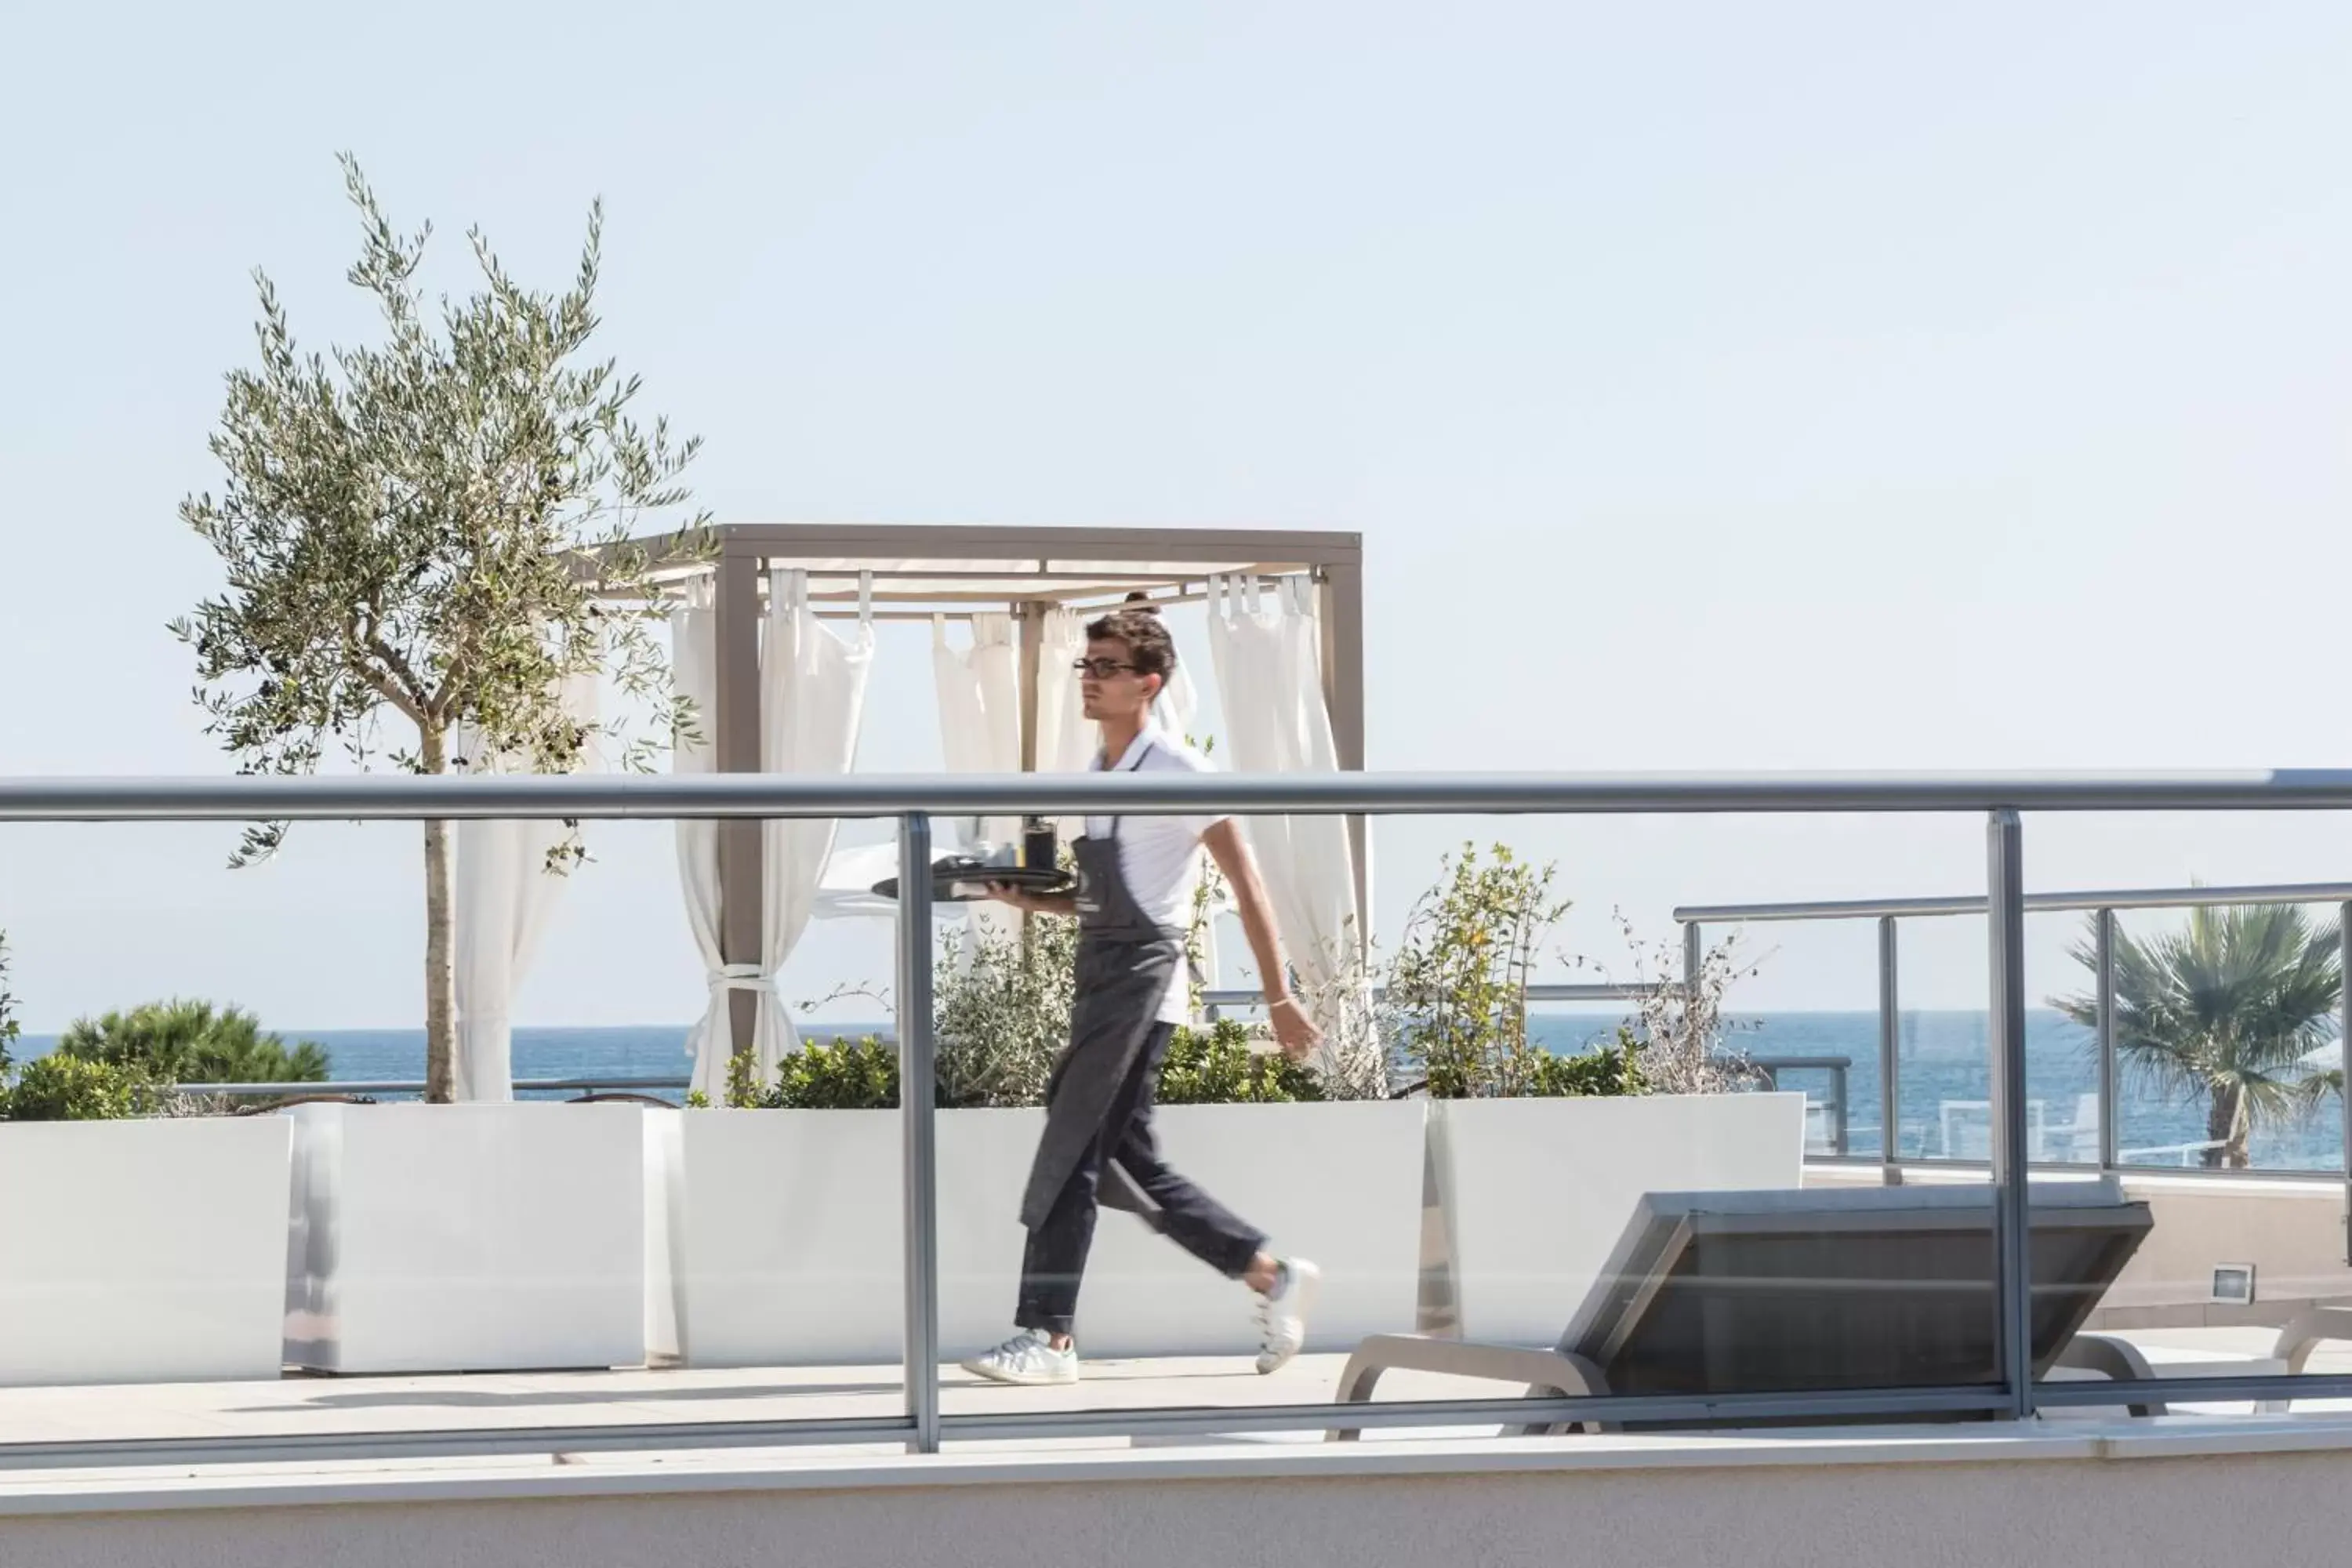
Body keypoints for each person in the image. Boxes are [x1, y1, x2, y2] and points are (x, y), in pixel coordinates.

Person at [959, 604, 1326, 1387]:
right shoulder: (1100, 773)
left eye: (1106, 668)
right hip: (1101, 977)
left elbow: (1246, 883)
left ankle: (1047, 1335)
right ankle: (1268, 1272)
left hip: (1140, 985)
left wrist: (1278, 994)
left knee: (1070, 1151)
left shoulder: (1178, 771)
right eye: (1085, 666)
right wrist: (1037, 903)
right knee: (1127, 1161)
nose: (1089, 681)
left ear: (1149, 683)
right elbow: (1105, 900)